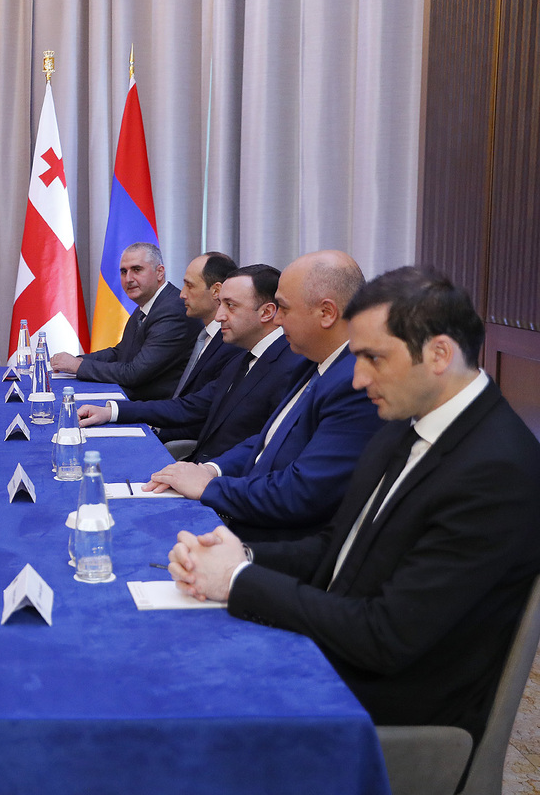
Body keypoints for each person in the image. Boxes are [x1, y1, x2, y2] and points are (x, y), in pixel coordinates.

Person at [166, 267, 540, 743]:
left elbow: (386, 636)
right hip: (338, 651)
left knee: (178, 713)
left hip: (386, 709)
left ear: (439, 354)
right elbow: (337, 547)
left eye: (373, 358)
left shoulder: (497, 471)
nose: (359, 379)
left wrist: (238, 580)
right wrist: (242, 556)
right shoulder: (406, 421)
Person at [144, 251, 383, 541]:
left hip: (274, 540)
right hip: (247, 508)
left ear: (326, 313)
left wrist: (209, 487)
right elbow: (271, 440)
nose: (277, 320)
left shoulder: (355, 383)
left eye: (284, 309)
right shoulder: (311, 361)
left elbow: (302, 492)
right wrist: (211, 470)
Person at [78, 265, 305, 464]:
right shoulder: (242, 358)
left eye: (230, 306)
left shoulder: (291, 367)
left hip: (224, 483)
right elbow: (188, 407)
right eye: (221, 304)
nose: (219, 316)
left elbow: (270, 446)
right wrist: (112, 411)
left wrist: (210, 471)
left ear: (266, 312)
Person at [50, 242, 200, 400]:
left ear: (159, 272)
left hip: (153, 407)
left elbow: (134, 373)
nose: (128, 279)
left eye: (137, 270)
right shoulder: (147, 306)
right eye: (123, 271)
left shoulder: (172, 311)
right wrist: (75, 360)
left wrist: (78, 366)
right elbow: (120, 353)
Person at [168, 252, 245, 401]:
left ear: (216, 291)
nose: (182, 294)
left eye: (190, 286)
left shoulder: (232, 345)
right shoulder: (202, 334)